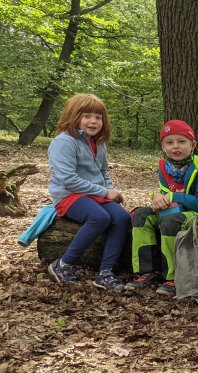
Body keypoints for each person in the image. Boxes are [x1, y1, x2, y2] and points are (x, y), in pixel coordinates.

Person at [46, 93, 131, 291]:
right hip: (68, 195)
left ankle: (105, 272)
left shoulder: (98, 144)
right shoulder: (64, 142)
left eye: (98, 117)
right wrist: (103, 192)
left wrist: (110, 190)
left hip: (95, 194)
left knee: (122, 217)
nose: (93, 121)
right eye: (86, 116)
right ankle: (63, 264)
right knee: (99, 217)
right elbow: (68, 180)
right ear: (73, 116)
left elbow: (103, 172)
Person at [126, 120, 198, 295]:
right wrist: (156, 197)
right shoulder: (165, 166)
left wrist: (173, 196)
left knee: (170, 221)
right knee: (142, 215)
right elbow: (165, 193)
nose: (176, 147)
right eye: (169, 142)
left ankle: (173, 277)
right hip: (175, 210)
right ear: (163, 146)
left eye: (182, 142)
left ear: (193, 144)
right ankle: (148, 271)